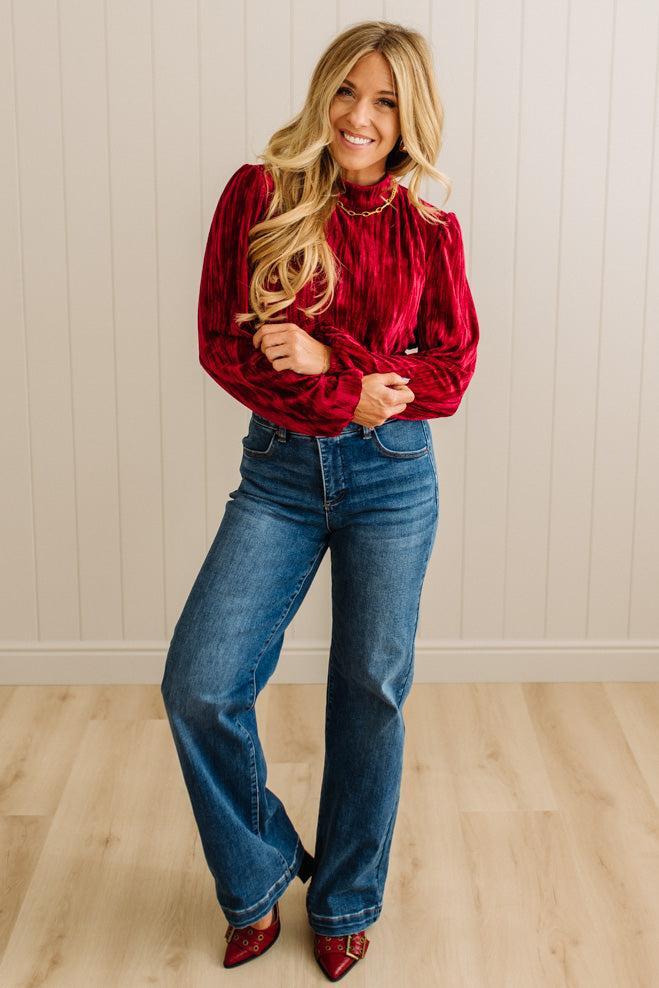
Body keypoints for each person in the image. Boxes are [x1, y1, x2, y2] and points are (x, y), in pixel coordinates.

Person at [160, 19, 479, 983]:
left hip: (393, 477)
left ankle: (344, 900)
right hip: (281, 476)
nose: (359, 115)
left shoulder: (431, 229)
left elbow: (451, 374)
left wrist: (333, 361)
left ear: (408, 116)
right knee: (201, 684)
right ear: (322, 92)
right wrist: (352, 391)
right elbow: (224, 344)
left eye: (384, 100)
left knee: (369, 694)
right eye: (347, 90)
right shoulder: (260, 191)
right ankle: (257, 876)